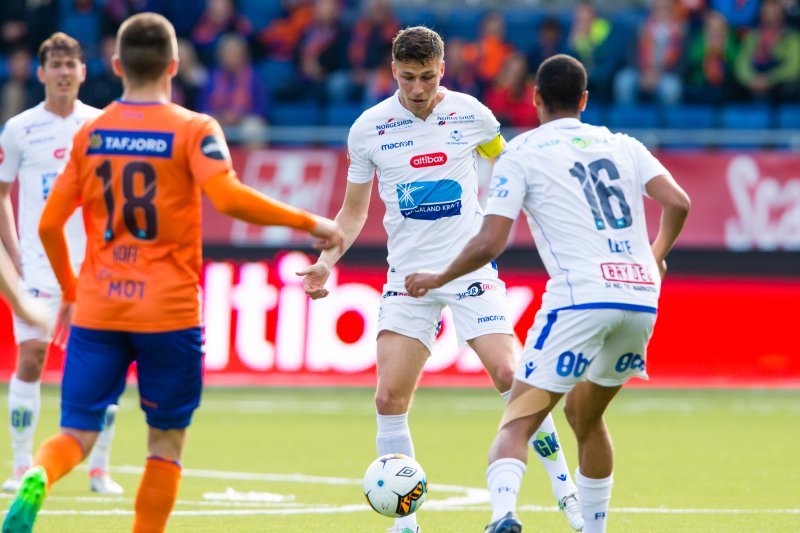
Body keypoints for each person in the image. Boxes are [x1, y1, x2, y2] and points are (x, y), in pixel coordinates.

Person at [2, 12, 344, 533]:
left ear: (116, 65)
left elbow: (50, 224)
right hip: (169, 312)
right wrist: (310, 221)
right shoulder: (193, 128)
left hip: (100, 305)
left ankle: (42, 475)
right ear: (174, 65)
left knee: (75, 431)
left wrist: (72, 291)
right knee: (164, 442)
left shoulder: (90, 132)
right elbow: (228, 197)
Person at [297, 26, 583, 533]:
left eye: (427, 77)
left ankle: (572, 503)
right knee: (389, 399)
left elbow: (511, 164)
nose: (418, 89)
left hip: (469, 271)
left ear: (442, 70)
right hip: (408, 278)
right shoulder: (369, 129)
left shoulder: (473, 115)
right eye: (407, 78)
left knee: (511, 379)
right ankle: (405, 524)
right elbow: (353, 210)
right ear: (393, 72)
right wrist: (327, 259)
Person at [405, 54, 691, 533]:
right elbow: (678, 201)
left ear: (535, 98)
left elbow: (490, 241)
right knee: (586, 417)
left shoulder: (521, 152)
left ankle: (504, 516)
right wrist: (655, 255)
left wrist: (437, 276)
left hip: (582, 298)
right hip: (641, 299)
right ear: (583, 100)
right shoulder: (623, 144)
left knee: (519, 417)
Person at [0, 32, 124, 495]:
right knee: (31, 358)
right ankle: (18, 467)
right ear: (41, 73)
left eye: (72, 64)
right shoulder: (18, 129)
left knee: (102, 366)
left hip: (94, 268)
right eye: (55, 64)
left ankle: (100, 470)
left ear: (84, 72)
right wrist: (14, 252)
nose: (64, 72)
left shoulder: (101, 125)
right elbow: (2, 196)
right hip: (37, 266)